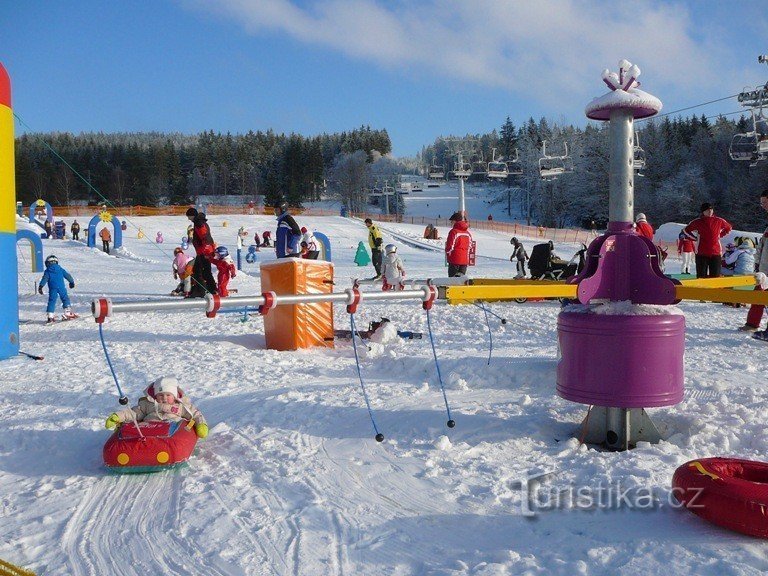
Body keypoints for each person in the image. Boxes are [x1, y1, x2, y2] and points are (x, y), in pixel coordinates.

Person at [104, 376, 208, 439]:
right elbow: (133, 413)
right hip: (149, 429)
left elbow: (195, 414)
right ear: (155, 396)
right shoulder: (148, 404)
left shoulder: (181, 406)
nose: (164, 398)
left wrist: (201, 425)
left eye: (168, 395)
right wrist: (117, 416)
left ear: (174, 396)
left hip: (171, 430)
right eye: (160, 395)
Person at [681, 202, 732, 278]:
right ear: (703, 212)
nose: (710, 211)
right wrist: (694, 238)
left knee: (715, 278)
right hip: (701, 253)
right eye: (707, 210)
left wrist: (720, 235)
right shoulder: (697, 222)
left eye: (711, 209)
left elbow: (729, 228)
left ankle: (715, 290)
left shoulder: (719, 220)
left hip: (716, 253)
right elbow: (685, 231)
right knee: (701, 277)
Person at [743, 191, 768, 332]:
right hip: (764, 268)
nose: (762, 206)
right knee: (758, 295)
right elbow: (762, 245)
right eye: (761, 202)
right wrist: (758, 262)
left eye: (764, 202)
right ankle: (751, 324)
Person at [185, 207, 218, 298]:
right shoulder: (199, 221)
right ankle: (212, 289)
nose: (188, 219)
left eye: (189, 216)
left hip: (204, 251)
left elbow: (205, 236)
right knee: (206, 271)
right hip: (204, 250)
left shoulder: (199, 223)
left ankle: (201, 290)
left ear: (192, 215)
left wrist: (205, 250)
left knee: (197, 271)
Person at [38, 254, 77, 323]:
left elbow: (44, 279)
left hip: (52, 288)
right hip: (61, 288)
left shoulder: (47, 271)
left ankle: (50, 316)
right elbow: (67, 275)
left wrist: (41, 286)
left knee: (52, 300)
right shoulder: (60, 269)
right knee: (65, 299)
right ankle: (67, 313)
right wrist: (71, 282)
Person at [445, 212, 472, 277]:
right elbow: (470, 246)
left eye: (452, 221)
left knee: (452, 280)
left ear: (455, 221)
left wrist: (447, 252)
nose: (451, 223)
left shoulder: (453, 232)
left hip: (454, 260)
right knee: (461, 281)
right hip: (464, 261)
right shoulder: (467, 233)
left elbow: (450, 246)